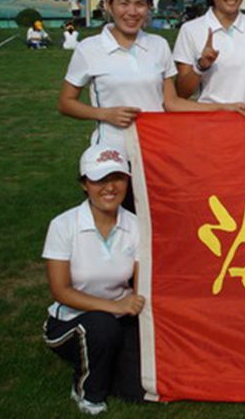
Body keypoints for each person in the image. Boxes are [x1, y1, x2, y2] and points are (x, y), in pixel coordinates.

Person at [58, 0, 245, 149]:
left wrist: (223, 107)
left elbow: (172, 103)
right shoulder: (89, 48)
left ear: (149, 7)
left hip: (155, 148)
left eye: (140, 4)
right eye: (124, 3)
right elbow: (66, 103)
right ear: (108, 5)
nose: (132, 12)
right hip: (111, 149)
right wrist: (105, 114)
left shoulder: (159, 45)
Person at [43, 143, 145, 414]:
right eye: (99, 179)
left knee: (137, 390)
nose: (110, 187)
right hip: (70, 322)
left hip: (120, 319)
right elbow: (60, 291)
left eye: (118, 178)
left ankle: (104, 362)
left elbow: (140, 284)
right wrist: (115, 306)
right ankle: (88, 393)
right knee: (102, 327)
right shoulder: (63, 225)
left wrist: (132, 308)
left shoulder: (136, 225)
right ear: (84, 184)